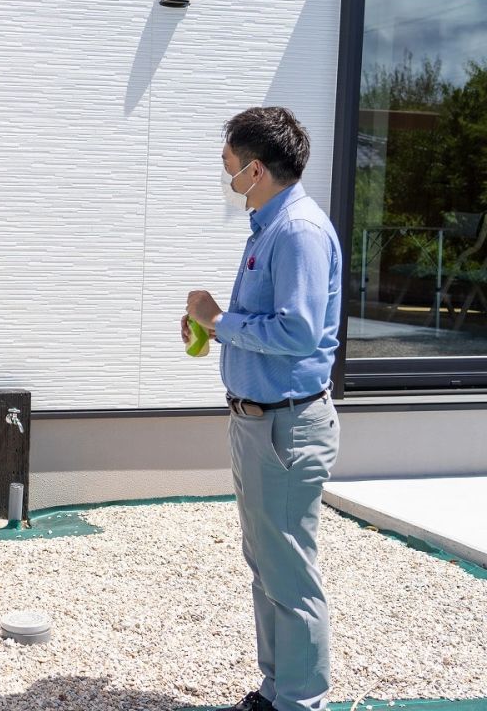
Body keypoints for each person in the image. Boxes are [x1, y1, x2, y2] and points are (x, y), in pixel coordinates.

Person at [183, 107, 342, 711]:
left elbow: (299, 332)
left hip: (285, 426)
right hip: (264, 422)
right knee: (269, 565)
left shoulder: (295, 231)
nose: (224, 175)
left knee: (289, 574)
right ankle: (279, 693)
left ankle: (301, 702)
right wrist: (219, 328)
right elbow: (275, 325)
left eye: (228, 164)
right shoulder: (271, 226)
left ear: (255, 169)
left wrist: (220, 322)